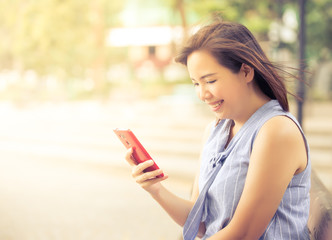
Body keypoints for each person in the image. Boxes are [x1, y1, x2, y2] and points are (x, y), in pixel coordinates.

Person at [124, 19, 311, 240]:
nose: (202, 94)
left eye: (210, 81)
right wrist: (154, 188)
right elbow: (201, 222)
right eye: (195, 83)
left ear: (246, 72)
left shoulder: (276, 131)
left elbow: (243, 234)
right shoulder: (215, 130)